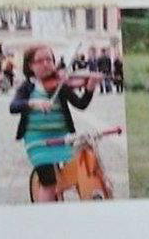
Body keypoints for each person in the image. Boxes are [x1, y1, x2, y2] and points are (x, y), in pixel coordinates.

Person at [9, 44, 96, 202]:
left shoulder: (60, 84)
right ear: (30, 65)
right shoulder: (27, 87)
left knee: (81, 170)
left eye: (49, 60)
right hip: (37, 141)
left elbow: (81, 104)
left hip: (63, 137)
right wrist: (34, 103)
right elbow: (13, 106)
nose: (46, 64)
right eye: (40, 61)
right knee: (48, 182)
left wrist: (90, 88)